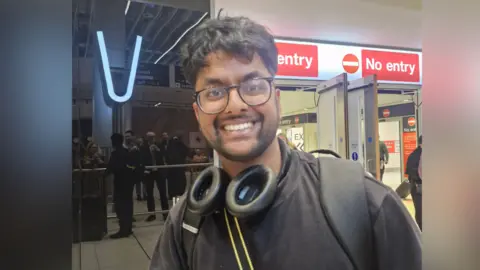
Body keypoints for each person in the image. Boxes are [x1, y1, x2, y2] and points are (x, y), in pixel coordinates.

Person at [150, 16, 421, 270]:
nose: (234, 106)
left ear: (277, 100)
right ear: (198, 113)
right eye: (215, 92)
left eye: (253, 86)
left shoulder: (359, 199)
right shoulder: (184, 226)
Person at [104, 133, 135, 239]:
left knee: (120, 206)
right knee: (128, 205)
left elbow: (110, 168)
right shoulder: (127, 152)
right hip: (128, 183)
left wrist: (102, 175)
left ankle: (123, 230)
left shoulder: (115, 154)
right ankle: (128, 228)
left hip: (120, 183)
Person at [142, 131, 169, 222]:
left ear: (154, 138)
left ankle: (165, 213)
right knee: (149, 194)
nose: (151, 139)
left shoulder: (159, 146)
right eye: (149, 137)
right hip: (149, 172)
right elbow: (143, 158)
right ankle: (151, 214)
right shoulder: (144, 147)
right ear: (147, 138)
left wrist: (158, 150)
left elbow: (164, 156)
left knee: (163, 193)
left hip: (159, 172)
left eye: (152, 137)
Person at [406, 135, 423, 230]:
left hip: (416, 188)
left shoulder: (413, 155)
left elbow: (409, 172)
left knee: (419, 211)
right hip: (419, 187)